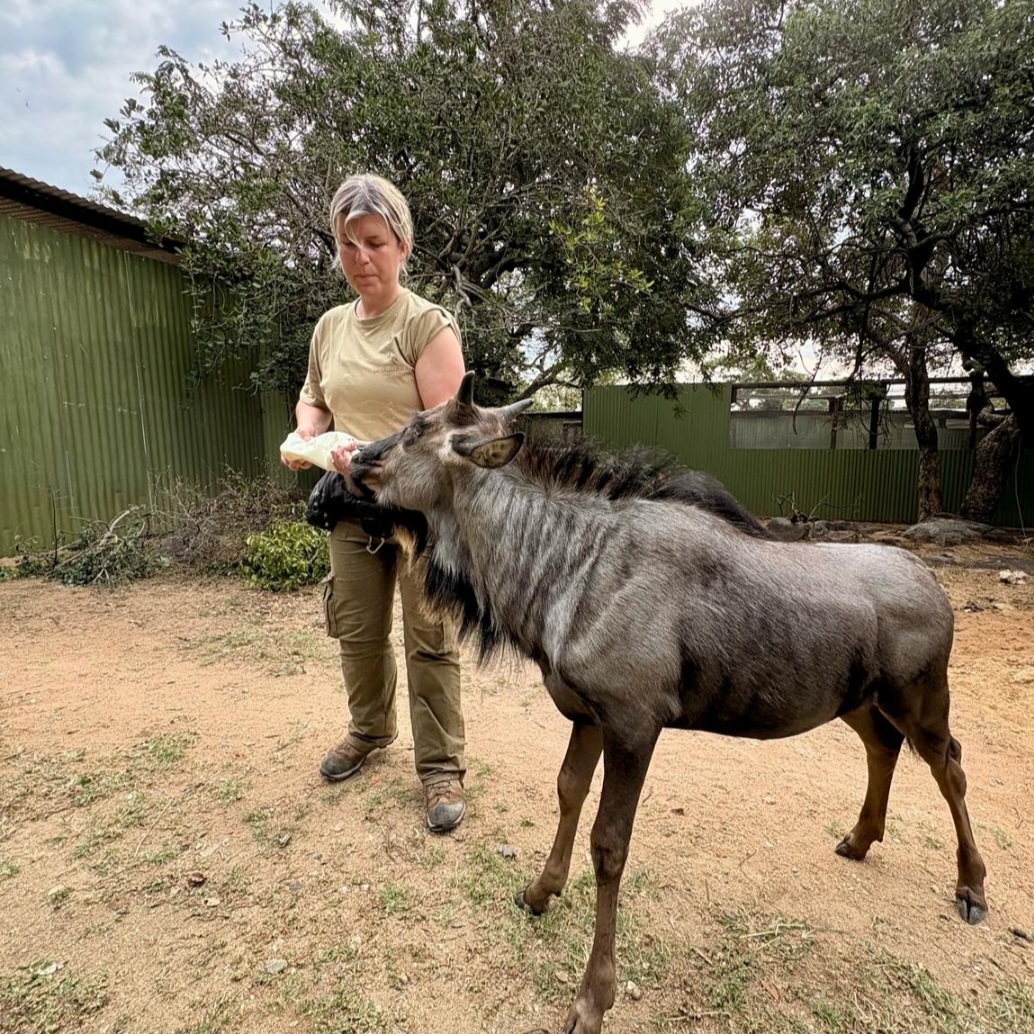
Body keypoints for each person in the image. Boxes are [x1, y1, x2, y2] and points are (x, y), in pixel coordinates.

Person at [282, 173, 467, 833]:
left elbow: (444, 431)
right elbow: (314, 393)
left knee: (430, 639)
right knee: (356, 632)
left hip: (421, 510)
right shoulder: (331, 327)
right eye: (347, 244)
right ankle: (368, 731)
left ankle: (441, 765)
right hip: (351, 506)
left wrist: (370, 452)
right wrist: (308, 434)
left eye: (375, 242)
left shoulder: (425, 325)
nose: (360, 257)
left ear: (402, 245)